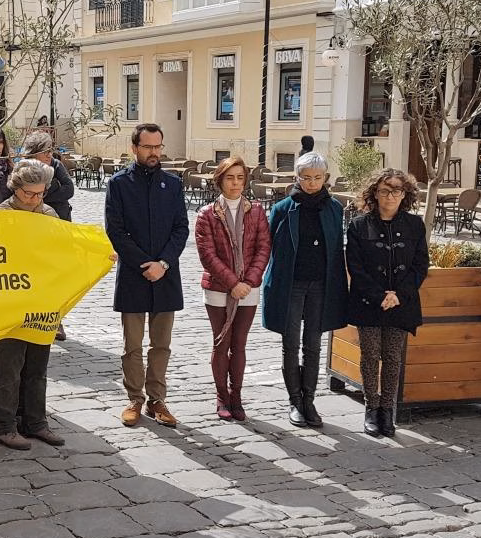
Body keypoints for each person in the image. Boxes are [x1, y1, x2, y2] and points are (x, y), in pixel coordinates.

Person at [105, 123, 189, 428]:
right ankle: (134, 399)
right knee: (133, 345)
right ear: (134, 148)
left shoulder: (173, 184)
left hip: (166, 275)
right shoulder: (118, 184)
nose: (154, 153)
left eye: (158, 147)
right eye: (148, 147)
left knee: (162, 344)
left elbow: (181, 228)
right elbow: (115, 231)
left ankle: (157, 400)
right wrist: (145, 264)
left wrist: (163, 264)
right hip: (133, 274)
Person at [262, 151, 348, 428]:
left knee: (313, 345)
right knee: (290, 344)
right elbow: (269, 249)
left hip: (321, 285)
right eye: (306, 178)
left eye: (317, 178)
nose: (312, 183)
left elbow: (336, 247)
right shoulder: (283, 208)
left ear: (325, 178)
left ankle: (309, 400)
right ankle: (294, 401)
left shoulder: (334, 208)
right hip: (291, 285)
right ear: (297, 178)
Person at [346, 169, 428, 437]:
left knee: (392, 358)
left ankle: (387, 410)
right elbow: (355, 267)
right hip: (368, 302)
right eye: (385, 190)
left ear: (405, 195)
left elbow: (419, 265)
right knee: (370, 356)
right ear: (375, 193)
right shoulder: (359, 225)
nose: (390, 195)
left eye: (396, 190)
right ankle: (371, 407)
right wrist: (379, 295)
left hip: (401, 303)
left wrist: (397, 295)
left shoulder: (415, 225)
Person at [0, 159, 65, 450]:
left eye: (40, 193)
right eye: (28, 194)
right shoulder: (0, 215)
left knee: (38, 365)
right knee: (10, 366)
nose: (34, 199)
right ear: (15, 188)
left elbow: (64, 250)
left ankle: (36, 422)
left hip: (41, 300)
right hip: (9, 301)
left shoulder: (49, 213)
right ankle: (5, 426)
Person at [195, 157, 271, 421]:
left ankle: (236, 397)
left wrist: (247, 282)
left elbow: (263, 248)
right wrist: (232, 283)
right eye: (230, 177)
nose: (235, 183)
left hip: (248, 289)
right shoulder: (207, 214)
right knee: (221, 342)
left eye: (240, 177)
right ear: (220, 180)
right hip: (218, 288)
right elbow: (207, 255)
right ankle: (221, 397)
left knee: (239, 345)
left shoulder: (257, 212)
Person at [21, 130, 75, 340]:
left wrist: (45, 195)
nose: (49, 155)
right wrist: (45, 194)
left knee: (57, 275)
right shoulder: (24, 168)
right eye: (45, 151)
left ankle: (57, 320)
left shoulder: (56, 165)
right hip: (35, 226)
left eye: (50, 150)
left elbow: (69, 190)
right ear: (34, 153)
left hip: (60, 223)